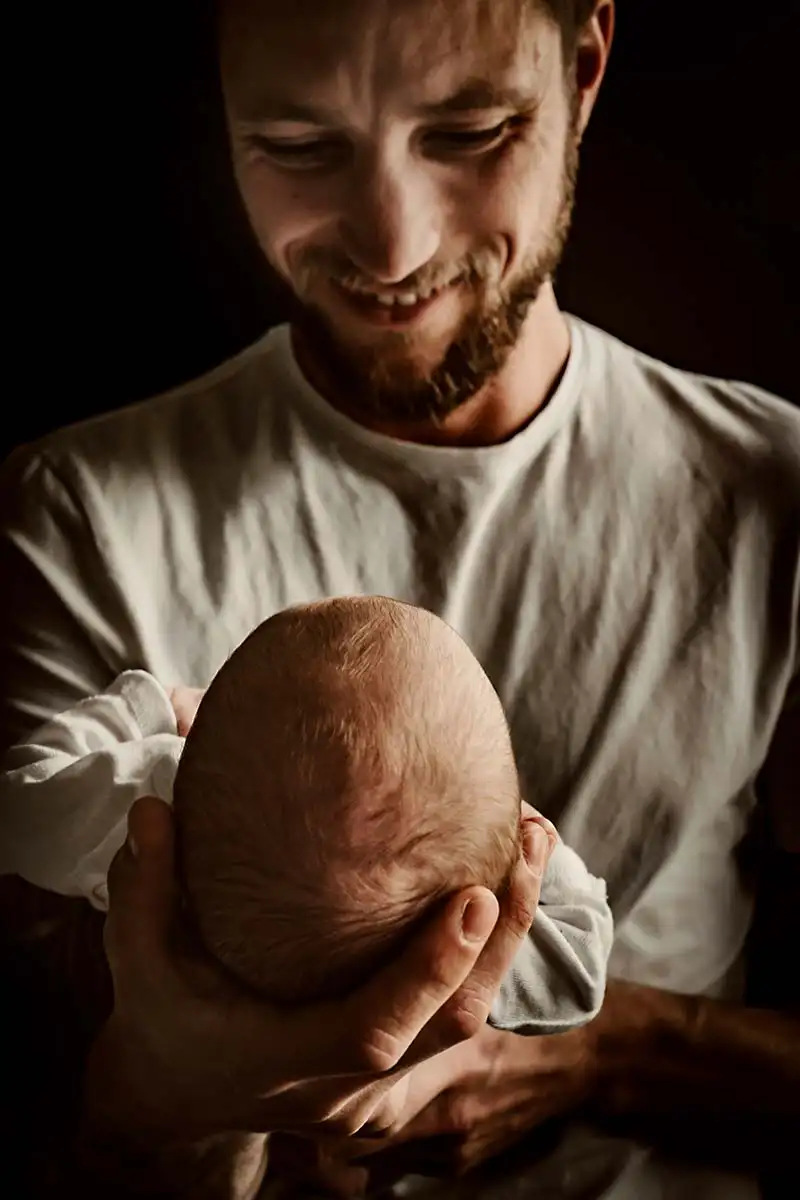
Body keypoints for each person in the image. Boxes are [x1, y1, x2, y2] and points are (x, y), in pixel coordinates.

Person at [0, 0, 797, 1197]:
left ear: (582, 71)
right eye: (298, 147)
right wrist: (162, 1114)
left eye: (471, 130)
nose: (389, 247)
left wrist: (604, 1050)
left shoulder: (765, 495)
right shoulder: (75, 514)